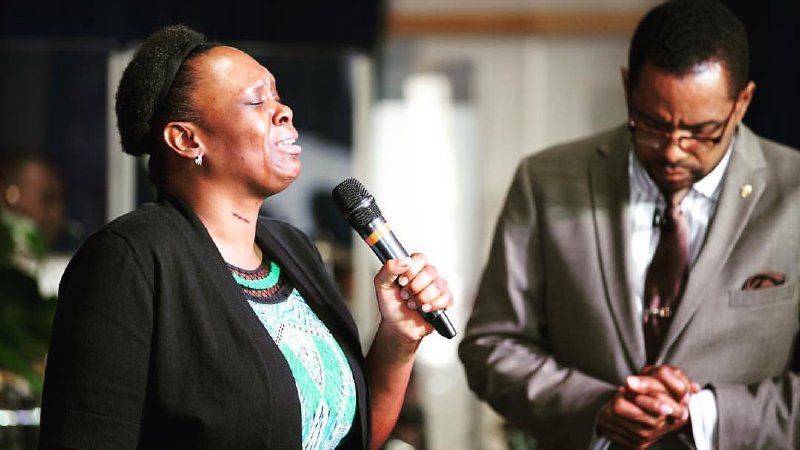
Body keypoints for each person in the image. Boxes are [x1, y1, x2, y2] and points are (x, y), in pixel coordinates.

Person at [38, 25, 453, 449]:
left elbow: (343, 438)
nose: (284, 111)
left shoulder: (294, 251)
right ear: (186, 139)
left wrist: (398, 339)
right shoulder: (131, 259)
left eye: (277, 96)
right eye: (257, 101)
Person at [459, 1, 800, 449]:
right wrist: (595, 407)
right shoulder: (546, 182)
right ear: (627, 88)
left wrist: (705, 414)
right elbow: (491, 346)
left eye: (702, 131)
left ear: (742, 103)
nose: (674, 150)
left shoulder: (794, 193)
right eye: (653, 124)